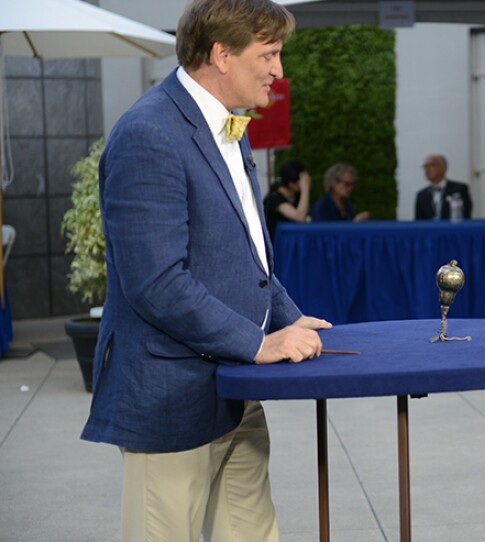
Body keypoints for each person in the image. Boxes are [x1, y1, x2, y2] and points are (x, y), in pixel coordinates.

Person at [80, 2, 332, 541]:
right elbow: (156, 282)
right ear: (221, 55)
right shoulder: (147, 133)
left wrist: (290, 316)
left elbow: (242, 253)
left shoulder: (229, 128)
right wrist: (259, 343)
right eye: (268, 55)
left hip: (235, 391)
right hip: (170, 397)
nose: (278, 71)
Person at [414, 154, 473, 220]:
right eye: (425, 166)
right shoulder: (422, 195)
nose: (427, 169)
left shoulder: (459, 189)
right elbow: (419, 221)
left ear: (443, 168)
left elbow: (465, 215)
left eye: (432, 165)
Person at [263, 159, 311, 238]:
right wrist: (305, 190)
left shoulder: (296, 197)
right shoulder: (275, 199)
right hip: (278, 244)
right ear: (292, 183)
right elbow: (299, 217)